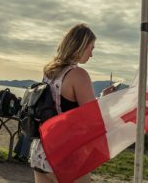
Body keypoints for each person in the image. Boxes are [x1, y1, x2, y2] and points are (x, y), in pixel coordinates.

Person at [29, 24, 116, 182]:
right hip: (65, 155)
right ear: (80, 46)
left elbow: (61, 107)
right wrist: (107, 100)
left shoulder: (50, 71)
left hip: (41, 151)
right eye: (91, 48)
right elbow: (92, 117)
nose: (91, 54)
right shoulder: (78, 75)